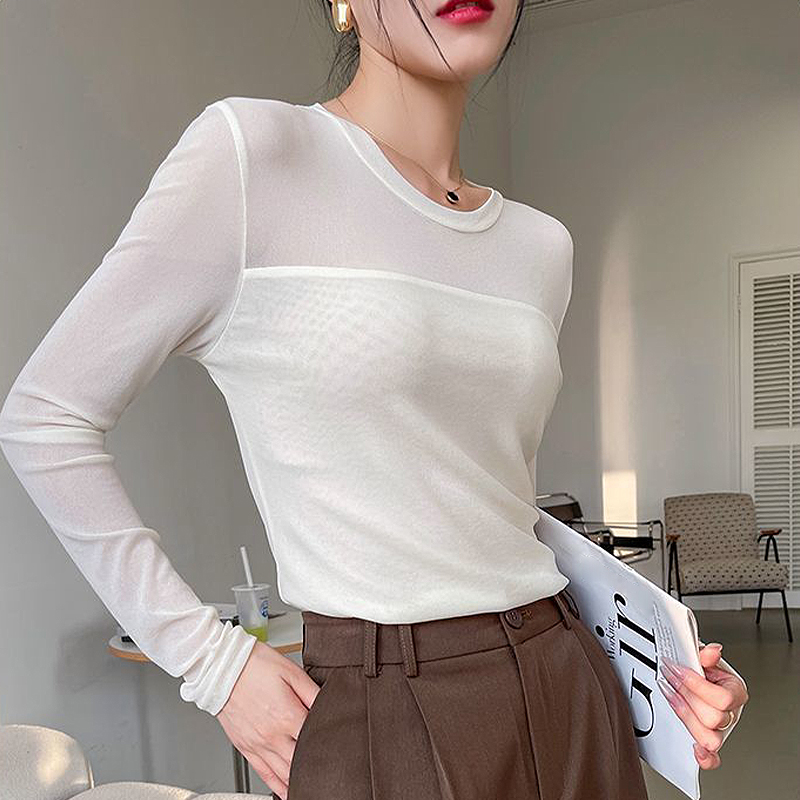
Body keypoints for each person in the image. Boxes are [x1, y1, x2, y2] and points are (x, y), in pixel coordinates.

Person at [0, 0, 748, 798]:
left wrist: (662, 667)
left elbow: (488, 504)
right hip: (386, 706)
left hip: (568, 675)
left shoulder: (541, 246)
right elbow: (46, 416)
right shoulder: (255, 156)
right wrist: (211, 663)